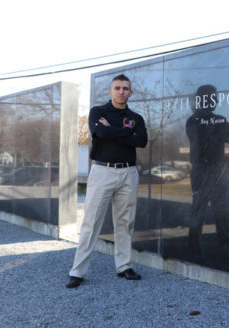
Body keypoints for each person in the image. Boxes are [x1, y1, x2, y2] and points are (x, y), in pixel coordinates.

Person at [66, 74, 147, 288]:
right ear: (110, 91)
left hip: (128, 172)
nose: (121, 91)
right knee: (91, 222)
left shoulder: (136, 117)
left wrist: (113, 131)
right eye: (118, 88)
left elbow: (142, 141)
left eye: (125, 88)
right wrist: (126, 132)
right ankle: (77, 271)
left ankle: (124, 266)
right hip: (103, 171)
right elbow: (99, 131)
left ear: (130, 92)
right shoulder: (98, 112)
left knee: (125, 221)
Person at [186, 84, 229, 261]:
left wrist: (215, 131)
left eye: (215, 97)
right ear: (203, 99)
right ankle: (194, 248)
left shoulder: (220, 120)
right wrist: (216, 132)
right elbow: (200, 141)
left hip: (219, 169)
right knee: (198, 210)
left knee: (223, 210)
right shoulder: (193, 120)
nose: (214, 101)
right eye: (211, 97)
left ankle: (226, 245)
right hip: (202, 169)